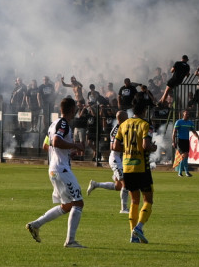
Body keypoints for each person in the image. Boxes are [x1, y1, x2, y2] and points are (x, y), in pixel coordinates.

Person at [25, 97, 86, 248]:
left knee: (67, 206)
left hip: (55, 168)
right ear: (72, 110)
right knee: (78, 203)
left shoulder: (54, 124)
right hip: (61, 169)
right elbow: (56, 142)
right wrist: (75, 146)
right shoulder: (64, 123)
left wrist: (67, 153)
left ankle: (36, 224)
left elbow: (46, 145)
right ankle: (70, 241)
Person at [114, 98, 156, 244]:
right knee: (148, 199)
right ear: (144, 111)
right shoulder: (145, 125)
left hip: (127, 166)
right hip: (141, 166)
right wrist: (153, 148)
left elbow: (115, 146)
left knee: (134, 200)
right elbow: (145, 145)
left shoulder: (123, 124)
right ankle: (139, 227)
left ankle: (133, 236)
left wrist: (127, 150)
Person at [87, 110, 131, 214]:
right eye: (126, 117)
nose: (128, 119)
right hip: (116, 159)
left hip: (120, 159)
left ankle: (95, 184)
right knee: (126, 183)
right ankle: (124, 209)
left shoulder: (121, 128)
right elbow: (113, 147)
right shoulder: (118, 129)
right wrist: (127, 149)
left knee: (118, 186)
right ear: (122, 118)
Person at [171, 110, 199, 177]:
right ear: (183, 115)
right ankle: (186, 172)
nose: (187, 115)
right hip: (180, 141)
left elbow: (194, 131)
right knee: (184, 156)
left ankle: (181, 173)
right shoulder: (179, 122)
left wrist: (198, 138)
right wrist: (173, 142)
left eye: (188, 114)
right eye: (186, 114)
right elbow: (174, 133)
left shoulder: (190, 123)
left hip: (186, 141)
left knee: (185, 157)